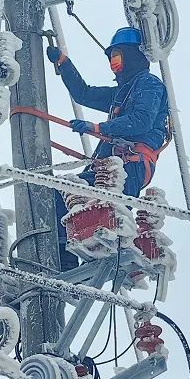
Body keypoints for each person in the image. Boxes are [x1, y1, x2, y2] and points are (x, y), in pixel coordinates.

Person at [46, 27, 169, 271]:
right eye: (112, 59)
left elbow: (141, 120)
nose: (114, 65)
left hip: (128, 166)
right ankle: (67, 258)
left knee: (63, 193)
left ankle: (65, 261)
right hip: (112, 166)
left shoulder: (149, 84)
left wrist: (98, 126)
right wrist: (64, 63)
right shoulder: (120, 93)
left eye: (118, 58)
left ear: (133, 55)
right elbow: (84, 94)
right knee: (65, 197)